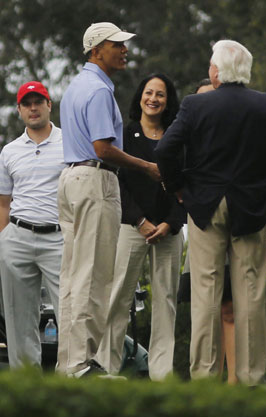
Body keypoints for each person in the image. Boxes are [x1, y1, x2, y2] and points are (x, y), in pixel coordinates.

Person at [155, 40, 266, 385]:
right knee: (251, 293)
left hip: (205, 207)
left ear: (217, 70)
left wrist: (177, 187)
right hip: (252, 207)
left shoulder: (196, 104)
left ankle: (204, 377)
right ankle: (251, 377)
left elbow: (166, 148)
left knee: (205, 293)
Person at [57, 22, 159, 377]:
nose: (124, 49)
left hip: (72, 178)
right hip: (94, 178)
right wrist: (147, 166)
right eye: (117, 44)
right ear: (96, 49)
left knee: (73, 277)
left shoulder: (76, 86)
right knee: (94, 276)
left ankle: (69, 364)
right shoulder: (99, 90)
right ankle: (81, 363)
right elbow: (104, 148)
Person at [95, 73, 185, 379]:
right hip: (131, 228)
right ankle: (108, 365)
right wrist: (140, 221)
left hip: (168, 232)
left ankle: (160, 372)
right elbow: (117, 181)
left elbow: (186, 183)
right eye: (149, 92)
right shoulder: (125, 135)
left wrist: (170, 223)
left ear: (167, 100)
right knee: (118, 295)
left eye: (160, 94)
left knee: (166, 301)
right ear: (140, 97)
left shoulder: (178, 136)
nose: (154, 99)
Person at [0, 81, 65, 369]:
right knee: (19, 319)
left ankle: (72, 381)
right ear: (20, 110)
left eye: (38, 101)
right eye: (27, 103)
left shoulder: (70, 141)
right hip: (18, 237)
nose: (33, 108)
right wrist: (5, 242)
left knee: (70, 313)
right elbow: (1, 203)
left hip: (58, 238)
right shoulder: (9, 151)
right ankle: (27, 390)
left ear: (49, 105)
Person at [177, 78, 238, 384]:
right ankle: (205, 375)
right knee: (203, 306)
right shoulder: (187, 141)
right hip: (200, 227)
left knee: (230, 306)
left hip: (233, 225)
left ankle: (235, 380)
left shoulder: (236, 135)